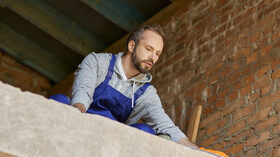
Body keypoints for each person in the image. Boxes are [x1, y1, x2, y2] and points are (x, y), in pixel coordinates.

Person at [50, 24, 198, 148]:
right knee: (60, 101)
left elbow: (166, 126)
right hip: (79, 128)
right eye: (148, 49)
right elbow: (82, 94)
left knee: (145, 131)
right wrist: (75, 118)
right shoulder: (98, 62)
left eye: (157, 53)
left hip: (112, 144)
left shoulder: (146, 93)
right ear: (132, 46)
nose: (153, 57)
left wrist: (198, 150)